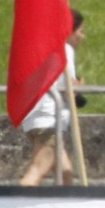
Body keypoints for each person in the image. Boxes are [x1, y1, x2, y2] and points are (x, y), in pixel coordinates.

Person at [17, 11, 86, 187]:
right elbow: (66, 87)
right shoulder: (65, 49)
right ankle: (15, 202)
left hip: (35, 117)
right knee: (37, 171)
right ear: (69, 31)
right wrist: (79, 87)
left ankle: (64, 204)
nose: (82, 37)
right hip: (49, 119)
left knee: (65, 172)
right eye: (80, 31)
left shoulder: (43, 48)